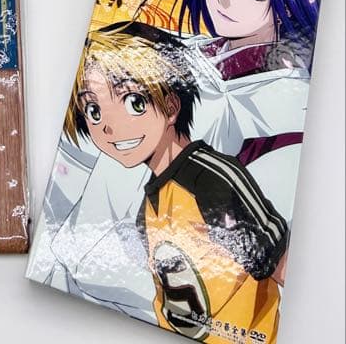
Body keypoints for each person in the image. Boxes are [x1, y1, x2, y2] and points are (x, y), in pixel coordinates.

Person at [33, 0, 320, 321]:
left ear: (285, 0)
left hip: (181, 284)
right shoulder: (188, 51)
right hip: (91, 259)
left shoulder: (275, 101)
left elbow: (265, 250)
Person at [65, 23, 287, 342]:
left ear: (171, 106)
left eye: (133, 102)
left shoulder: (212, 179)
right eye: (94, 110)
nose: (109, 127)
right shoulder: (149, 205)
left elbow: (280, 263)